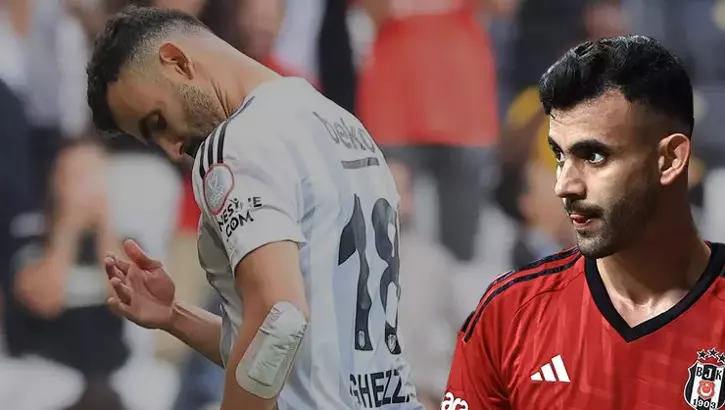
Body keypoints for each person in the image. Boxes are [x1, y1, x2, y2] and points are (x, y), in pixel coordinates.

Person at [86, 6, 422, 410]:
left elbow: (278, 321)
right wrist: (174, 315)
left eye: (157, 122)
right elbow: (295, 353)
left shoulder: (234, 144)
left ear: (176, 61)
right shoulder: (339, 122)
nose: (172, 148)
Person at [443, 35, 725, 410]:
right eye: (559, 156)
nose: (564, 186)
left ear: (670, 159)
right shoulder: (509, 315)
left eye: (593, 156)